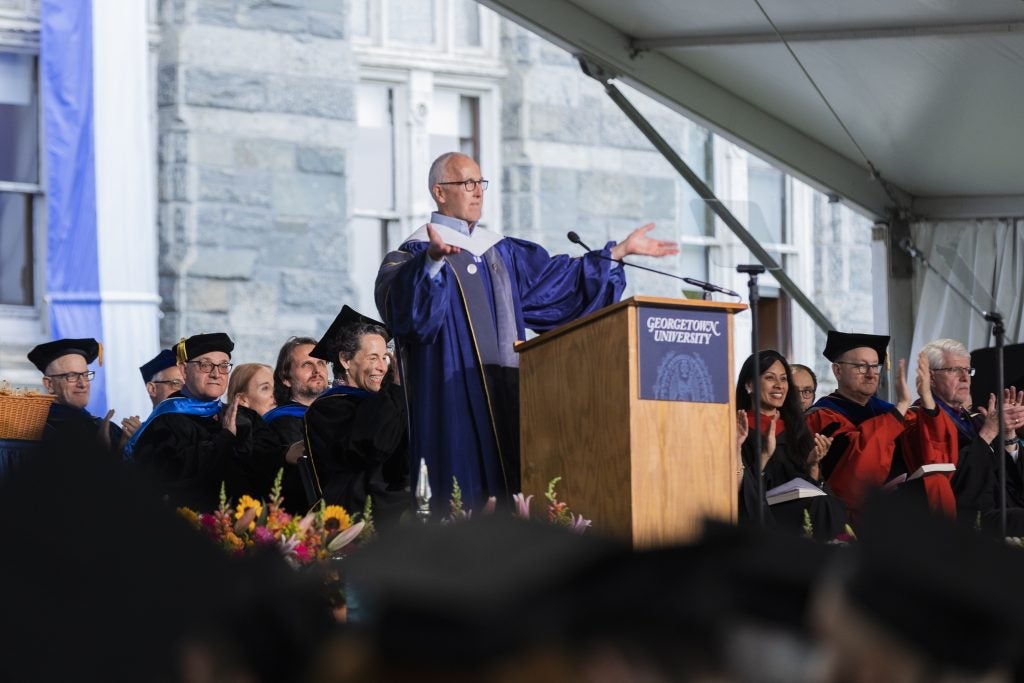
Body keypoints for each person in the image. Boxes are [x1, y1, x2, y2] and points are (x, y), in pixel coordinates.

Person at [375, 151, 678, 509]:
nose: (478, 192)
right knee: (461, 501)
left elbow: (555, 284)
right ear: (440, 192)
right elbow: (408, 316)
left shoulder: (501, 252)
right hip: (452, 405)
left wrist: (617, 253)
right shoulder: (412, 255)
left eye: (481, 183)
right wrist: (432, 263)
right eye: (467, 183)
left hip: (512, 401)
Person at [805, 331, 957, 519]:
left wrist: (927, 398)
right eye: (861, 367)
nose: (871, 374)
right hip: (858, 514)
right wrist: (900, 408)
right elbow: (856, 473)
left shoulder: (888, 412)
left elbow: (937, 456)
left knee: (936, 484)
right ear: (837, 370)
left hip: (900, 504)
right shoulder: (822, 416)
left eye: (875, 366)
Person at [125, 333, 282, 510]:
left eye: (223, 366)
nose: (216, 374)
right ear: (184, 370)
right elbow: (173, 475)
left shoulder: (245, 417)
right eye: (205, 365)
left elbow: (272, 466)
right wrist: (226, 438)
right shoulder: (165, 422)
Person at [304, 318, 410, 528]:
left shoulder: (387, 400)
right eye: (373, 358)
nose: (382, 367)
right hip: (358, 514)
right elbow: (372, 447)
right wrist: (397, 386)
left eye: (384, 358)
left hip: (392, 502)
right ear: (345, 360)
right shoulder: (328, 408)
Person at [735, 350, 846, 540]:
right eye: (770, 378)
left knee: (828, 504)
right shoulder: (738, 427)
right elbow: (737, 492)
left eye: (784, 379)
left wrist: (812, 464)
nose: (779, 385)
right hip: (763, 516)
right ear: (749, 384)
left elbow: (811, 485)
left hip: (800, 513)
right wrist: (763, 456)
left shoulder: (796, 428)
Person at [921, 338, 1024, 533]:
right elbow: (951, 481)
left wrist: (1009, 437)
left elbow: (1009, 483)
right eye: (954, 370)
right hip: (966, 521)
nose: (965, 377)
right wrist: (988, 432)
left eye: (968, 370)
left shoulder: (975, 421)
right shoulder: (922, 419)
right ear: (930, 377)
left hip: (1001, 509)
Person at [27, 337, 134, 456]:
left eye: (85, 375)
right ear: (49, 384)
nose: (83, 384)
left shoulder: (107, 429)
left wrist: (130, 447)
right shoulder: (32, 433)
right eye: (72, 376)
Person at [261, 336, 328, 512]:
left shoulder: (333, 415)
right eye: (306, 364)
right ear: (286, 378)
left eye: (321, 363)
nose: (316, 370)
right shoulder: (281, 421)